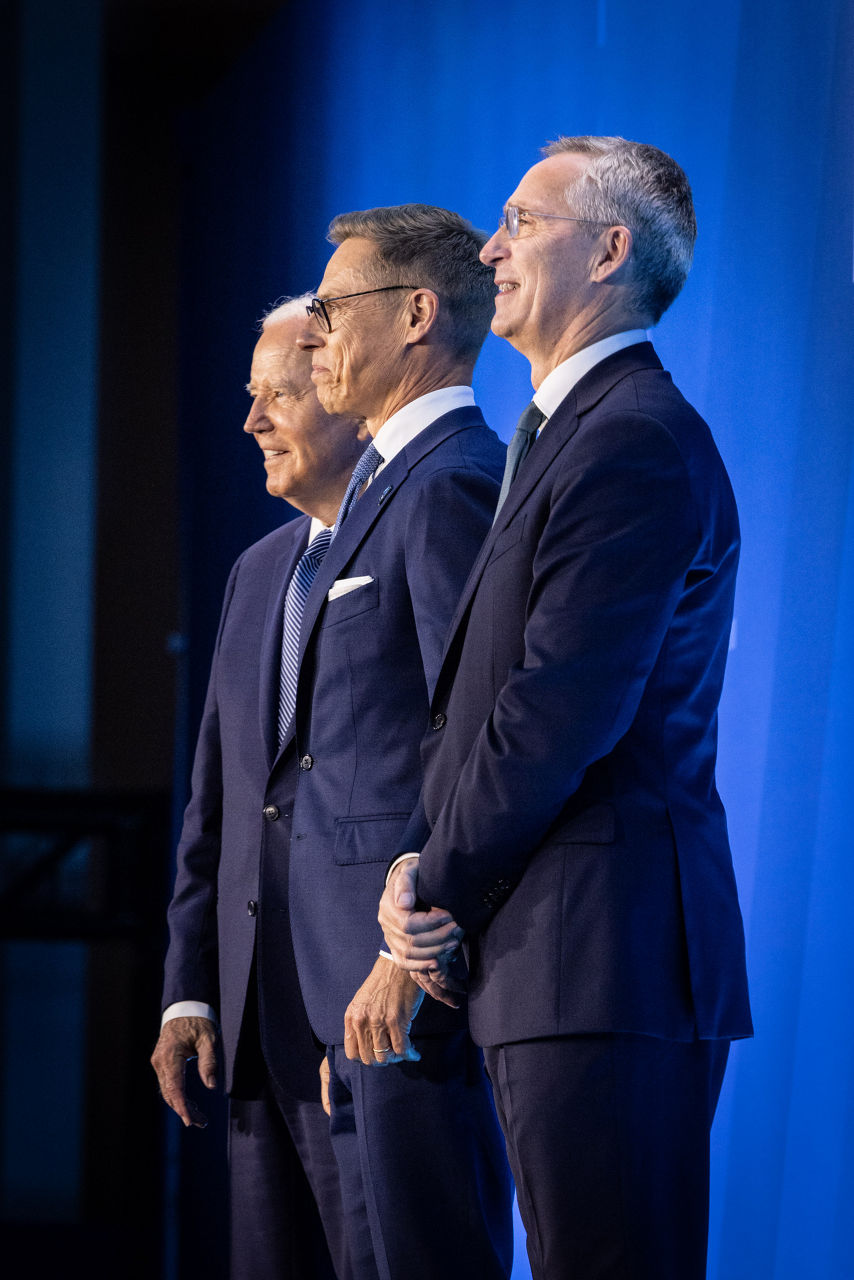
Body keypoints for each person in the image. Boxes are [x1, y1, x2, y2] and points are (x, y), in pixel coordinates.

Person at [378, 137, 753, 1280]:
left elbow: (555, 712)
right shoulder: (570, 435)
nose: (488, 247)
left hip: (602, 957)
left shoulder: (631, 437)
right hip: (551, 956)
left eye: (518, 222)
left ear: (606, 249)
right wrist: (423, 874)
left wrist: (427, 886)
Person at [285, 203, 513, 1280]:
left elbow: (470, 736)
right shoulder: (383, 483)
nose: (316, 334)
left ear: (416, 314)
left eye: (332, 308)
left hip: (408, 971)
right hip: (355, 982)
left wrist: (401, 955)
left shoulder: (453, 480)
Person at [151, 296, 369, 1280]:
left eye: (276, 395)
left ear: (344, 392)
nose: (251, 422)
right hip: (245, 1029)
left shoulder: (426, 527)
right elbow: (217, 807)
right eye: (248, 397)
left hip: (362, 1022)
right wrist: (186, 990)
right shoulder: (254, 570)